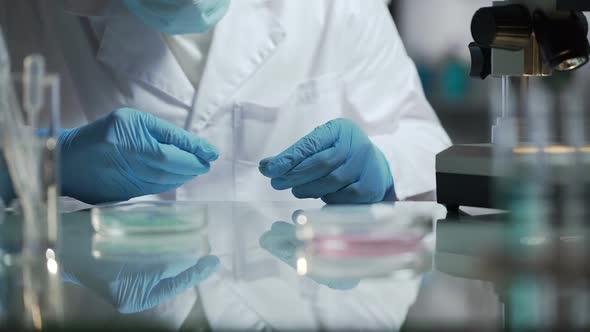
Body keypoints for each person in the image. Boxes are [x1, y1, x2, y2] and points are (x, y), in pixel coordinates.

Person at [0, 0, 451, 205]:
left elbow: (428, 143)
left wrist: (382, 166)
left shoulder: (338, 6)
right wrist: (51, 162)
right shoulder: (25, 11)